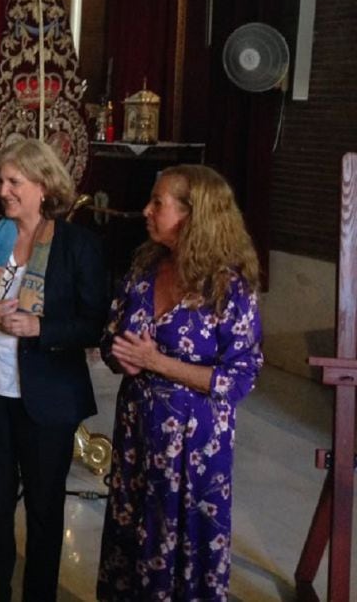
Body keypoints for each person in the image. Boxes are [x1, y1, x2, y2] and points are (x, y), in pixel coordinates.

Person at [0, 139, 107, 602]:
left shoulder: (78, 245)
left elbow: (95, 323)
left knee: (43, 506)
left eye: (15, 181)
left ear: (44, 186)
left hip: (48, 397)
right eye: (1, 180)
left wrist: (41, 326)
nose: (3, 190)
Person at [96, 164, 264, 601]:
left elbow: (241, 378)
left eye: (158, 203)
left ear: (194, 214)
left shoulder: (229, 286)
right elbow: (111, 333)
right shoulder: (145, 267)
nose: (146, 210)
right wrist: (122, 358)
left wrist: (158, 362)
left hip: (194, 447)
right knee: (133, 535)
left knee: (184, 543)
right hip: (137, 434)